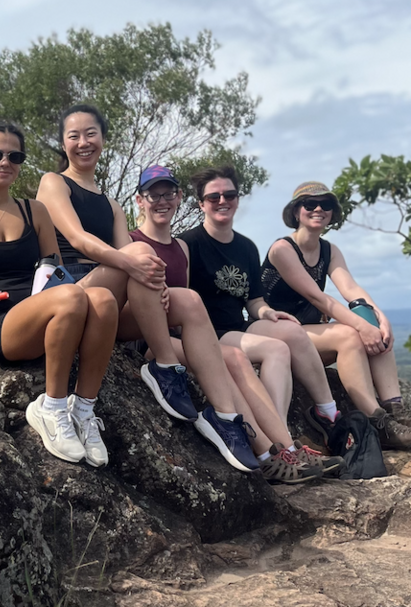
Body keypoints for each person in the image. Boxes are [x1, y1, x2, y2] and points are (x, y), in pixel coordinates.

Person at [0, 122, 119, 466]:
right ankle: (51, 407)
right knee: (73, 297)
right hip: (0, 323)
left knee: (104, 301)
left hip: (44, 308)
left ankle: (82, 410)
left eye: (15, 156)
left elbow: (55, 271)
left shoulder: (35, 211)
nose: (5, 162)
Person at [130, 166, 325, 483]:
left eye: (168, 194)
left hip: (183, 335)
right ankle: (266, 454)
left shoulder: (180, 248)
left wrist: (266, 312)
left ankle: (285, 449)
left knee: (237, 358)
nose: (162, 201)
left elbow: (194, 300)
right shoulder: (133, 242)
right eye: (154, 195)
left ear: (179, 197)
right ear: (140, 200)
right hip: (152, 342)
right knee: (231, 356)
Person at [38, 106, 226, 433]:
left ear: (103, 139)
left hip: (107, 301)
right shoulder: (54, 183)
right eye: (74, 136)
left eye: (91, 134)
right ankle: (166, 364)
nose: (83, 142)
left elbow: (131, 256)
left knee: (189, 300)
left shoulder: (112, 206)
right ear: (64, 143)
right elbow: (77, 238)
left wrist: (159, 289)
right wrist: (133, 264)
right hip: (67, 291)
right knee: (139, 253)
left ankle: (225, 416)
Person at [179, 165, 345, 475]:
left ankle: (318, 419)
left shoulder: (246, 247)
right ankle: (283, 446)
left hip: (238, 324)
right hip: (207, 331)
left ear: (237, 199)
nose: (222, 201)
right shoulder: (189, 243)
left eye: (229, 195)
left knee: (291, 332)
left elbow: (253, 300)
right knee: (276, 349)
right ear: (201, 203)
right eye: (213, 197)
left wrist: (269, 313)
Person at [261, 180, 411, 450]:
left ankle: (396, 411)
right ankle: (378, 423)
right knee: (350, 335)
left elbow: (351, 289)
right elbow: (317, 297)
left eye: (326, 204)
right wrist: (361, 328)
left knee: (372, 324)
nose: (318, 209)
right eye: (310, 204)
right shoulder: (282, 249)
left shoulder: (329, 250)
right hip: (280, 332)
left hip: (309, 336)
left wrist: (379, 317)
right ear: (296, 211)